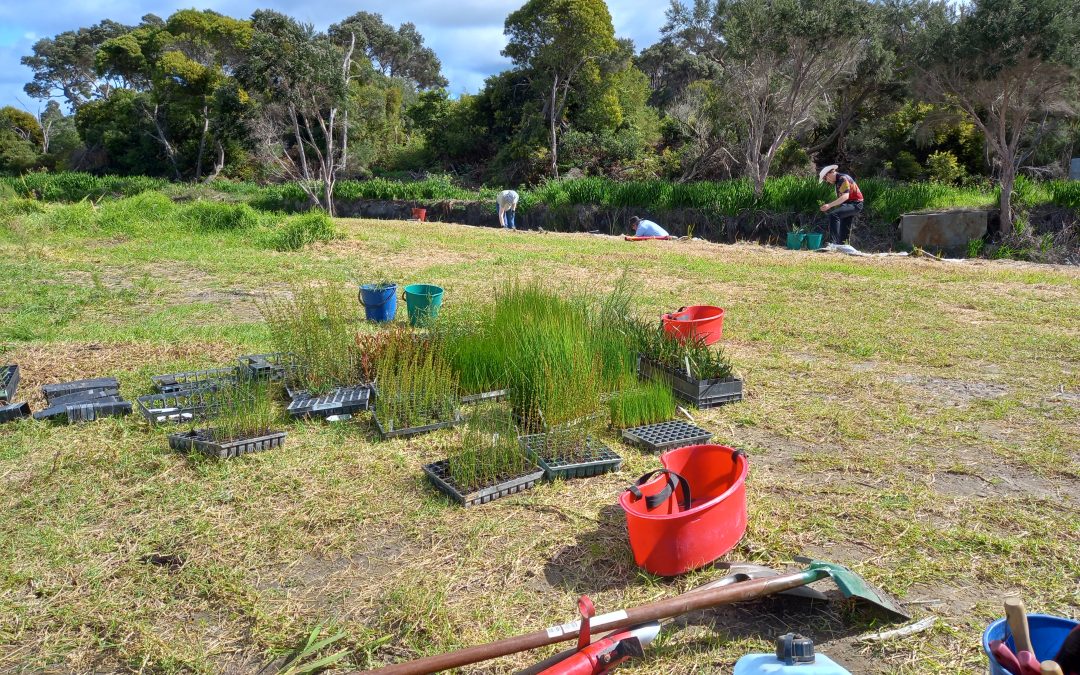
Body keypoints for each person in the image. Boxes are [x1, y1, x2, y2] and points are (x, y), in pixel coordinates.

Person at [818, 164, 864, 245]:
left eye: (825, 179)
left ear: (829, 174)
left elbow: (845, 197)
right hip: (850, 204)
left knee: (834, 215)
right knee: (844, 225)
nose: (827, 181)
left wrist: (829, 205)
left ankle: (833, 243)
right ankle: (843, 245)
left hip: (855, 204)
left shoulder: (843, 179)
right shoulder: (839, 180)